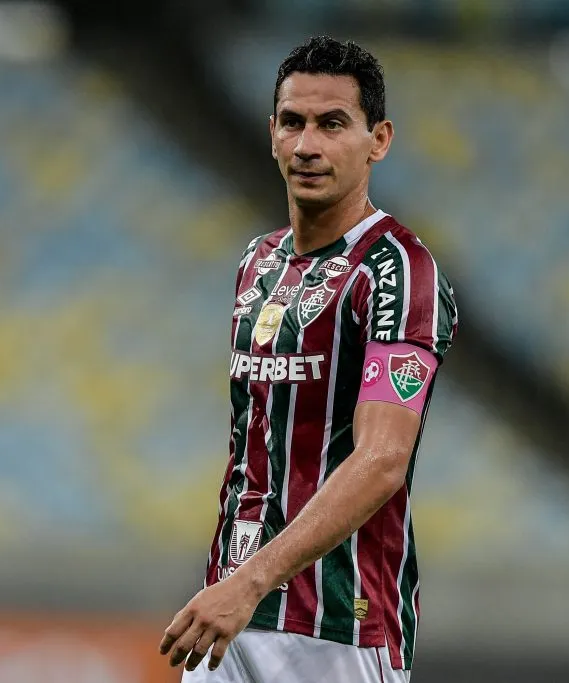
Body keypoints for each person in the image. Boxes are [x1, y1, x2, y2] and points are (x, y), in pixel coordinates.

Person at [159, 35, 458, 682]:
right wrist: (233, 586)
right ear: (271, 133)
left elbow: (381, 459)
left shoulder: (398, 270)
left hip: (338, 627)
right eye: (292, 122)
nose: (307, 145)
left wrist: (250, 581)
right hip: (229, 616)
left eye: (332, 124)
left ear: (378, 139)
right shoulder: (257, 262)